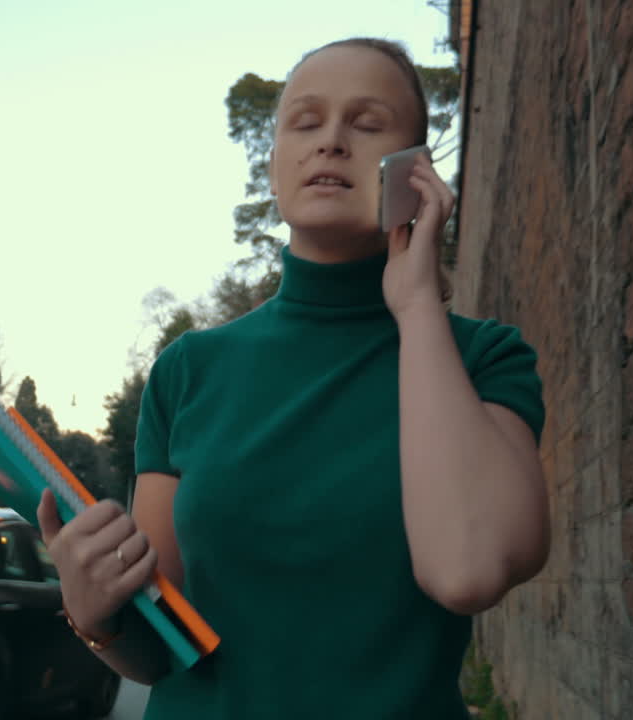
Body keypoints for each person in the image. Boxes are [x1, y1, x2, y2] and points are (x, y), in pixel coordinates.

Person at [37, 37, 548, 719]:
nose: (331, 141)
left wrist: (418, 305)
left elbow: (467, 571)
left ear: (416, 173)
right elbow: (161, 652)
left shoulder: (486, 360)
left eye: (367, 124)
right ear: (274, 168)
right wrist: (92, 614)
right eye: (305, 123)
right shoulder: (188, 370)